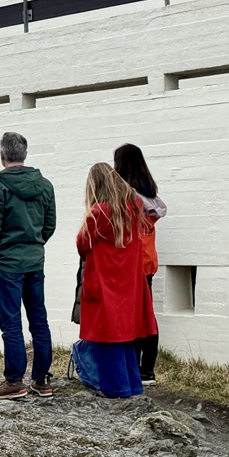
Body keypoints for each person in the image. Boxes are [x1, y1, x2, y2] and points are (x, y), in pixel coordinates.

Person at [0, 131, 56, 400]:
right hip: (34, 260)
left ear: (2, 155)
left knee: (11, 323)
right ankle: (42, 379)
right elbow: (50, 224)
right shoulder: (44, 185)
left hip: (7, 261)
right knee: (39, 320)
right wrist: (35, 243)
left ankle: (14, 380)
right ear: (24, 154)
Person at [75, 163, 157, 399]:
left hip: (105, 280)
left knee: (108, 336)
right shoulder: (134, 205)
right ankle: (132, 384)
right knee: (125, 337)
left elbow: (82, 243)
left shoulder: (99, 212)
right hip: (129, 281)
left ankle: (116, 388)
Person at [113, 143, 167, 384]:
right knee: (147, 316)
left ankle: (134, 368)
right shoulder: (150, 195)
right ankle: (148, 370)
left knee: (131, 317)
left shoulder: (126, 196)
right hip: (148, 261)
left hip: (130, 264)